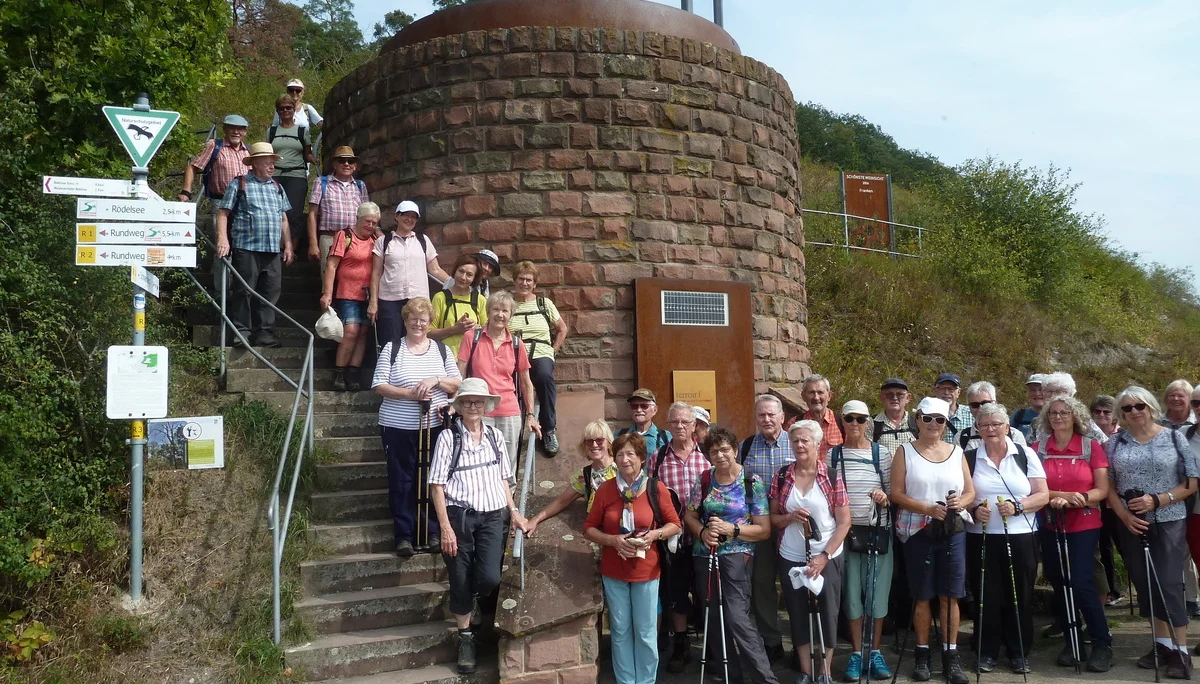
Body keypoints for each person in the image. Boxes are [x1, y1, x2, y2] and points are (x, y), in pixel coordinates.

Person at [429, 378, 524, 675]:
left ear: (486, 406)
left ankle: (472, 602)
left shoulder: (496, 437)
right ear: (459, 406)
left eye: (479, 401)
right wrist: (445, 527)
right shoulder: (448, 438)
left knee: (489, 578)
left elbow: (504, 480)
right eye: (468, 401)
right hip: (459, 517)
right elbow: (436, 485)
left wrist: (515, 511)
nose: (473, 406)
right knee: (459, 577)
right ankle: (466, 638)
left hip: (493, 516)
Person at [1106, 386, 1198, 679]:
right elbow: (1107, 483)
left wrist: (1158, 499)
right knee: (1145, 583)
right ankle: (1162, 644)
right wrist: (1123, 515)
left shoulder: (1174, 437)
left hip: (1169, 519)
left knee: (1169, 583)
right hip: (1131, 522)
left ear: (1150, 407)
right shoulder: (1115, 442)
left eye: (1139, 406)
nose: (1134, 412)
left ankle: (1181, 652)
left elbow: (1191, 482)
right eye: (1127, 408)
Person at [583, 432, 682, 684]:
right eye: (619, 454)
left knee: (646, 632)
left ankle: (646, 681)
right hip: (614, 570)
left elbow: (675, 524)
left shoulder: (654, 487)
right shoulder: (606, 490)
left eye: (630, 453)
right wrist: (612, 540)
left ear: (641, 458)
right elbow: (590, 528)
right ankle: (626, 681)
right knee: (620, 630)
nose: (625, 459)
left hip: (646, 571)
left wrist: (654, 535)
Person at [683, 425, 778, 684]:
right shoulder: (704, 479)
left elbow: (764, 530)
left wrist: (733, 529)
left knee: (737, 616)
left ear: (735, 450)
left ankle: (764, 679)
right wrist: (702, 532)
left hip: (738, 553)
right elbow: (689, 515)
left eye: (725, 449)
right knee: (713, 616)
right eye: (714, 451)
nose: (720, 455)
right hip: (705, 554)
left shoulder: (751, 481)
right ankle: (730, 675)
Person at [889, 397, 975, 684]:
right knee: (922, 595)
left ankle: (951, 656)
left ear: (945, 423)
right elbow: (896, 494)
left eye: (939, 420)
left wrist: (958, 501)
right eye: (927, 419)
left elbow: (970, 493)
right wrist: (927, 508)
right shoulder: (905, 452)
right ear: (918, 420)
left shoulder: (957, 451)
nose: (933, 425)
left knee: (950, 594)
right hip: (917, 531)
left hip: (952, 530)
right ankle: (922, 653)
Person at [372, 297, 462, 557]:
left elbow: (456, 384)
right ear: (405, 321)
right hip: (398, 426)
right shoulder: (393, 348)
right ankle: (404, 536)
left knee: (433, 479)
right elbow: (379, 385)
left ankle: (433, 532)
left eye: (423, 320)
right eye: (413, 319)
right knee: (402, 480)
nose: (418, 324)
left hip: (435, 426)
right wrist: (410, 394)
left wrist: (435, 380)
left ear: (429, 322)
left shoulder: (441, 350)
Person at [1030, 395, 1113, 671]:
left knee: (1080, 581)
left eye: (1064, 412)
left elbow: (1102, 489)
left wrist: (1079, 497)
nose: (1058, 417)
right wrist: (1061, 495)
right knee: (1060, 582)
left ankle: (1102, 642)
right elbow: (1031, 487)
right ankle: (1072, 640)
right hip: (1050, 522)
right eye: (1053, 413)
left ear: (1075, 416)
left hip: (1084, 523)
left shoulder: (1090, 447)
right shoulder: (1038, 448)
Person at [965, 402, 1048, 675]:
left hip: (1021, 535)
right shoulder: (968, 457)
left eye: (996, 424)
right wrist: (974, 510)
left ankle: (1019, 651)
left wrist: (1018, 506)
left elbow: (1042, 495)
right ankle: (986, 651)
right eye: (984, 425)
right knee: (985, 595)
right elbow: (962, 496)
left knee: (1020, 595)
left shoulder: (1024, 454)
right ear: (977, 428)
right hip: (982, 536)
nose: (990, 429)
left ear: (1007, 427)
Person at [770, 419, 850, 684]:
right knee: (796, 612)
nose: (800, 445)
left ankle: (825, 671)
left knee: (828, 612)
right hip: (791, 554)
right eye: (795, 441)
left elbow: (843, 522)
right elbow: (772, 518)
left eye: (805, 440)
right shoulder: (782, 476)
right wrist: (790, 516)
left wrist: (824, 556)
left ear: (818, 444)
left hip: (826, 556)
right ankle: (805, 670)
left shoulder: (832, 475)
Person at [832, 400, 894, 682]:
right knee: (852, 596)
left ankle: (876, 651)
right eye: (849, 419)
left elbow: (896, 493)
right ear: (842, 421)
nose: (855, 424)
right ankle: (857, 654)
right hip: (845, 535)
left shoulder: (881, 454)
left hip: (878, 533)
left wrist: (884, 497)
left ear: (868, 421)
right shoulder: (833, 456)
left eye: (860, 419)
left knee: (877, 595)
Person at [648, 402, 710, 674]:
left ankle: (712, 647)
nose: (681, 427)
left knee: (707, 594)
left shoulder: (707, 455)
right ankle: (681, 645)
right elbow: (648, 495)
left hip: (704, 539)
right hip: (672, 541)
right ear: (669, 425)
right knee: (676, 595)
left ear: (695, 424)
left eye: (686, 422)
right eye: (675, 423)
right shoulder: (658, 458)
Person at [215, 142, 293, 348]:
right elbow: (223, 212)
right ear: (256, 163)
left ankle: (264, 334)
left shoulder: (277, 187)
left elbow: (283, 218)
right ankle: (241, 332)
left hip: (271, 250)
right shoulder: (239, 184)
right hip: (246, 247)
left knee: (270, 292)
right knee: (243, 290)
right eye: (268, 162)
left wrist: (288, 245)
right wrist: (222, 239)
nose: (272, 166)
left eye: (273, 162)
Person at [456, 291, 539, 469]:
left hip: (509, 411)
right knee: (476, 461)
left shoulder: (517, 344)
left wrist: (531, 415)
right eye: (495, 309)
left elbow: (526, 383)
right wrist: (455, 402)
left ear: (511, 315)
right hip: (477, 409)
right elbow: (460, 373)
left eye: (505, 311)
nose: (500, 315)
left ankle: (507, 497)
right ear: (488, 311)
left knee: (506, 465)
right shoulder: (472, 337)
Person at [739, 394, 790, 662]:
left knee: (797, 585)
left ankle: (802, 641)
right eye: (762, 415)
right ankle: (771, 640)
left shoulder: (796, 443)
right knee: (762, 585)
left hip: (792, 526)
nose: (767, 419)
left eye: (772, 414)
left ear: (782, 417)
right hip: (759, 528)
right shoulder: (746, 447)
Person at [369, 201, 452, 346]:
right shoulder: (383, 241)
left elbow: (435, 269)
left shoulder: (423, 241)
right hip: (390, 300)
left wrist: (458, 284)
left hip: (418, 301)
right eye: (405, 215)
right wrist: (373, 303)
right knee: (390, 342)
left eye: (413, 216)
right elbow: (376, 273)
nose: (409, 219)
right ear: (397, 216)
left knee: (416, 340)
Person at [319, 202, 381, 390]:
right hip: (347, 291)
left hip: (368, 294)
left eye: (374, 223)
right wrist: (327, 293)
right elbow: (331, 265)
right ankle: (339, 373)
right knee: (351, 332)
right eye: (367, 221)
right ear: (358, 218)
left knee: (362, 333)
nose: (370, 226)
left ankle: (353, 374)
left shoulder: (376, 239)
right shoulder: (344, 235)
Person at [508, 260, 567, 455]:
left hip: (541, 352)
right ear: (514, 280)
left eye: (528, 280)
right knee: (511, 386)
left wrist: (553, 350)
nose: (524, 283)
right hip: (514, 353)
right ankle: (513, 433)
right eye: (520, 279)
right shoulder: (507, 304)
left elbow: (561, 328)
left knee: (544, 378)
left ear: (535, 283)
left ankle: (549, 429)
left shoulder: (544, 303)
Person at [524, 420, 616, 536]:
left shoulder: (621, 466)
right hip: (600, 533)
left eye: (599, 440)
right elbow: (562, 501)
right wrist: (535, 520)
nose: (594, 445)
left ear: (609, 442)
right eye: (589, 441)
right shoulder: (585, 475)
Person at [307, 146, 370, 268]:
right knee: (329, 280)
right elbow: (312, 214)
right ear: (334, 164)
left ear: (355, 165)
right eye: (342, 160)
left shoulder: (360, 186)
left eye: (350, 161)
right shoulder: (321, 182)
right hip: (330, 237)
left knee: (352, 278)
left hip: (354, 240)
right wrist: (313, 243)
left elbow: (366, 215)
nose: (346, 164)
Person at [1090, 394, 1124, 607]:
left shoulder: (1122, 438)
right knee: (1103, 544)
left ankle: (1122, 589)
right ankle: (1111, 589)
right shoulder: (1089, 437)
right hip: (1096, 496)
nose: (1101, 416)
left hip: (1118, 498)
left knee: (1120, 543)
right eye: (1097, 412)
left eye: (1106, 412)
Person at [268, 95, 315, 247]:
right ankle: (277, 246)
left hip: (296, 175)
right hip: (275, 175)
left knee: (294, 213)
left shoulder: (302, 131)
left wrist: (315, 159)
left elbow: (307, 153)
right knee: (274, 212)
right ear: (278, 111)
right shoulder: (271, 131)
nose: (285, 110)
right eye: (282, 108)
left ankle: (291, 249)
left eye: (288, 107)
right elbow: (266, 154)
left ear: (294, 110)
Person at [177, 114, 249, 206]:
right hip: (221, 201)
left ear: (245, 132)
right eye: (232, 128)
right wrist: (186, 191)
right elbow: (192, 167)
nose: (236, 132)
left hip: (245, 203)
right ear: (224, 129)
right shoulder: (214, 145)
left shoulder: (249, 150)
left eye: (240, 129)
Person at [431, 254, 488, 356]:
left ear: (475, 278)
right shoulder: (440, 298)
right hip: (447, 358)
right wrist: (455, 329)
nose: (463, 277)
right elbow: (428, 333)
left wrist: (478, 328)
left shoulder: (480, 300)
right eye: (461, 271)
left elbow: (489, 333)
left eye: (469, 275)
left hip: (473, 358)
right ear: (455, 271)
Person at [1034, 372, 1108, 444]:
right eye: (1049, 391)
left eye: (1057, 391)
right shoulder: (1037, 421)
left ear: (1069, 394)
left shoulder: (1082, 420)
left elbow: (1103, 443)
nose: (1053, 395)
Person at [957, 381, 1028, 450]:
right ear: (969, 407)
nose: (981, 408)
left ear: (995, 403)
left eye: (985, 403)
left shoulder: (1015, 435)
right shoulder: (961, 438)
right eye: (975, 405)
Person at [800, 374, 843, 459]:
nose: (816, 398)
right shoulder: (795, 423)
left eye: (820, 392)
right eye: (811, 392)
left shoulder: (842, 422)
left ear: (829, 396)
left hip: (835, 472)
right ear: (803, 396)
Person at [873, 378, 916, 454]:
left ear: (908, 398)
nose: (895, 398)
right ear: (882, 397)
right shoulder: (871, 424)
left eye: (900, 394)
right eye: (889, 395)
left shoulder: (917, 424)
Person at [933, 373, 973, 446]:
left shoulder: (971, 414)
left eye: (951, 389)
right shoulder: (927, 416)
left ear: (958, 392)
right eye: (942, 388)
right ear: (936, 390)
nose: (946, 392)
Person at [1010, 374, 1045, 440]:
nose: (1037, 393)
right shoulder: (1019, 415)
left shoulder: (1056, 416)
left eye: (1041, 390)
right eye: (1033, 390)